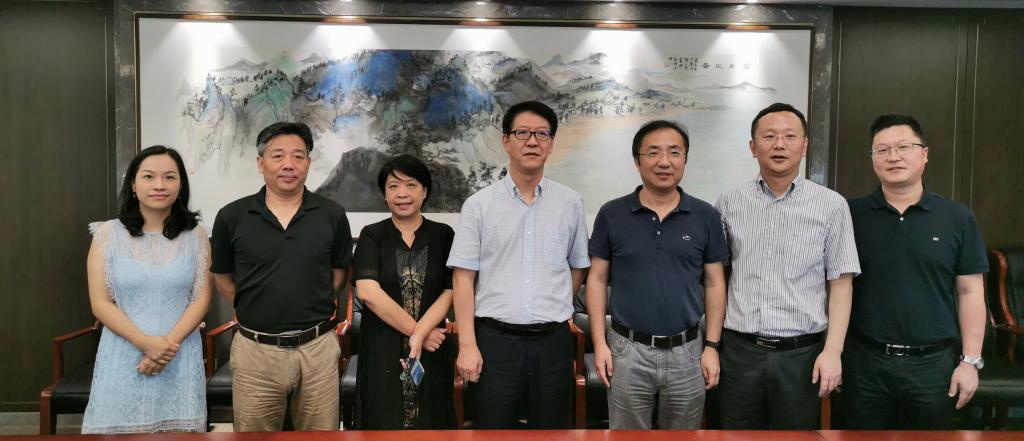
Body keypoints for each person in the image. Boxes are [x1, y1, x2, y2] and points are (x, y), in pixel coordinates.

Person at [834, 114, 987, 429]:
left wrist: (970, 362)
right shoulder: (848, 214)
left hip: (933, 366)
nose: (893, 157)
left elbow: (970, 291)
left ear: (924, 154)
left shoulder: (957, 217)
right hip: (864, 365)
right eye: (882, 150)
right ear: (873, 158)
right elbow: (836, 286)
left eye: (903, 147)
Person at [715, 103, 861, 429]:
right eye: (769, 136)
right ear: (753, 147)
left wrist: (832, 352)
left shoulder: (831, 205)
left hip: (802, 355)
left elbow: (841, 284)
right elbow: (717, 278)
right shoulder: (728, 203)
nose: (779, 144)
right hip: (740, 352)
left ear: (804, 145)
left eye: (790, 136)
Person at [447, 100, 591, 429]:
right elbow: (463, 278)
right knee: (493, 430)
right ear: (506, 141)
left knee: (553, 431)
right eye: (522, 133)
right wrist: (467, 345)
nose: (532, 141)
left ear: (551, 143)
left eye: (542, 134)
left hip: (553, 342)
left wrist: (555, 301)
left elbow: (578, 266)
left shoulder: (570, 203)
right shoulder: (479, 205)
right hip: (495, 342)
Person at [586, 120, 728, 429]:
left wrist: (712, 347)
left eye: (674, 152)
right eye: (653, 152)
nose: (664, 161)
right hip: (627, 350)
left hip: (688, 351)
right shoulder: (612, 214)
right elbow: (596, 280)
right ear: (637, 161)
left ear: (685, 160)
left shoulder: (706, 216)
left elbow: (715, 283)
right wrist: (600, 344)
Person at [210, 122, 352, 431]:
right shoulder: (231, 216)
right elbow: (222, 277)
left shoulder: (332, 214)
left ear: (308, 163)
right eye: (278, 156)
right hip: (255, 351)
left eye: (298, 156)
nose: (289, 164)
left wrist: (309, 302)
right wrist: (255, 306)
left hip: (317, 349)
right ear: (261, 163)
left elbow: (339, 274)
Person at [82, 145, 210, 433]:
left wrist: (165, 347)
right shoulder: (107, 234)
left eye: (169, 177)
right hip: (124, 354)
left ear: (181, 185)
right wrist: (146, 343)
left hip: (178, 356)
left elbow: (201, 299)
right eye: (149, 176)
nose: (159, 185)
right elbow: (100, 303)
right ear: (133, 184)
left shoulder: (196, 234)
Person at [351, 154, 456, 429]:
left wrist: (420, 335)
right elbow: (368, 292)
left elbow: (451, 289)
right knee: (384, 419)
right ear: (384, 194)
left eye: (411, 185)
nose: (402, 194)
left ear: (425, 191)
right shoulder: (372, 235)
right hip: (383, 345)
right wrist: (419, 333)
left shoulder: (444, 235)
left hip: (432, 347)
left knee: (433, 419)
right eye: (393, 186)